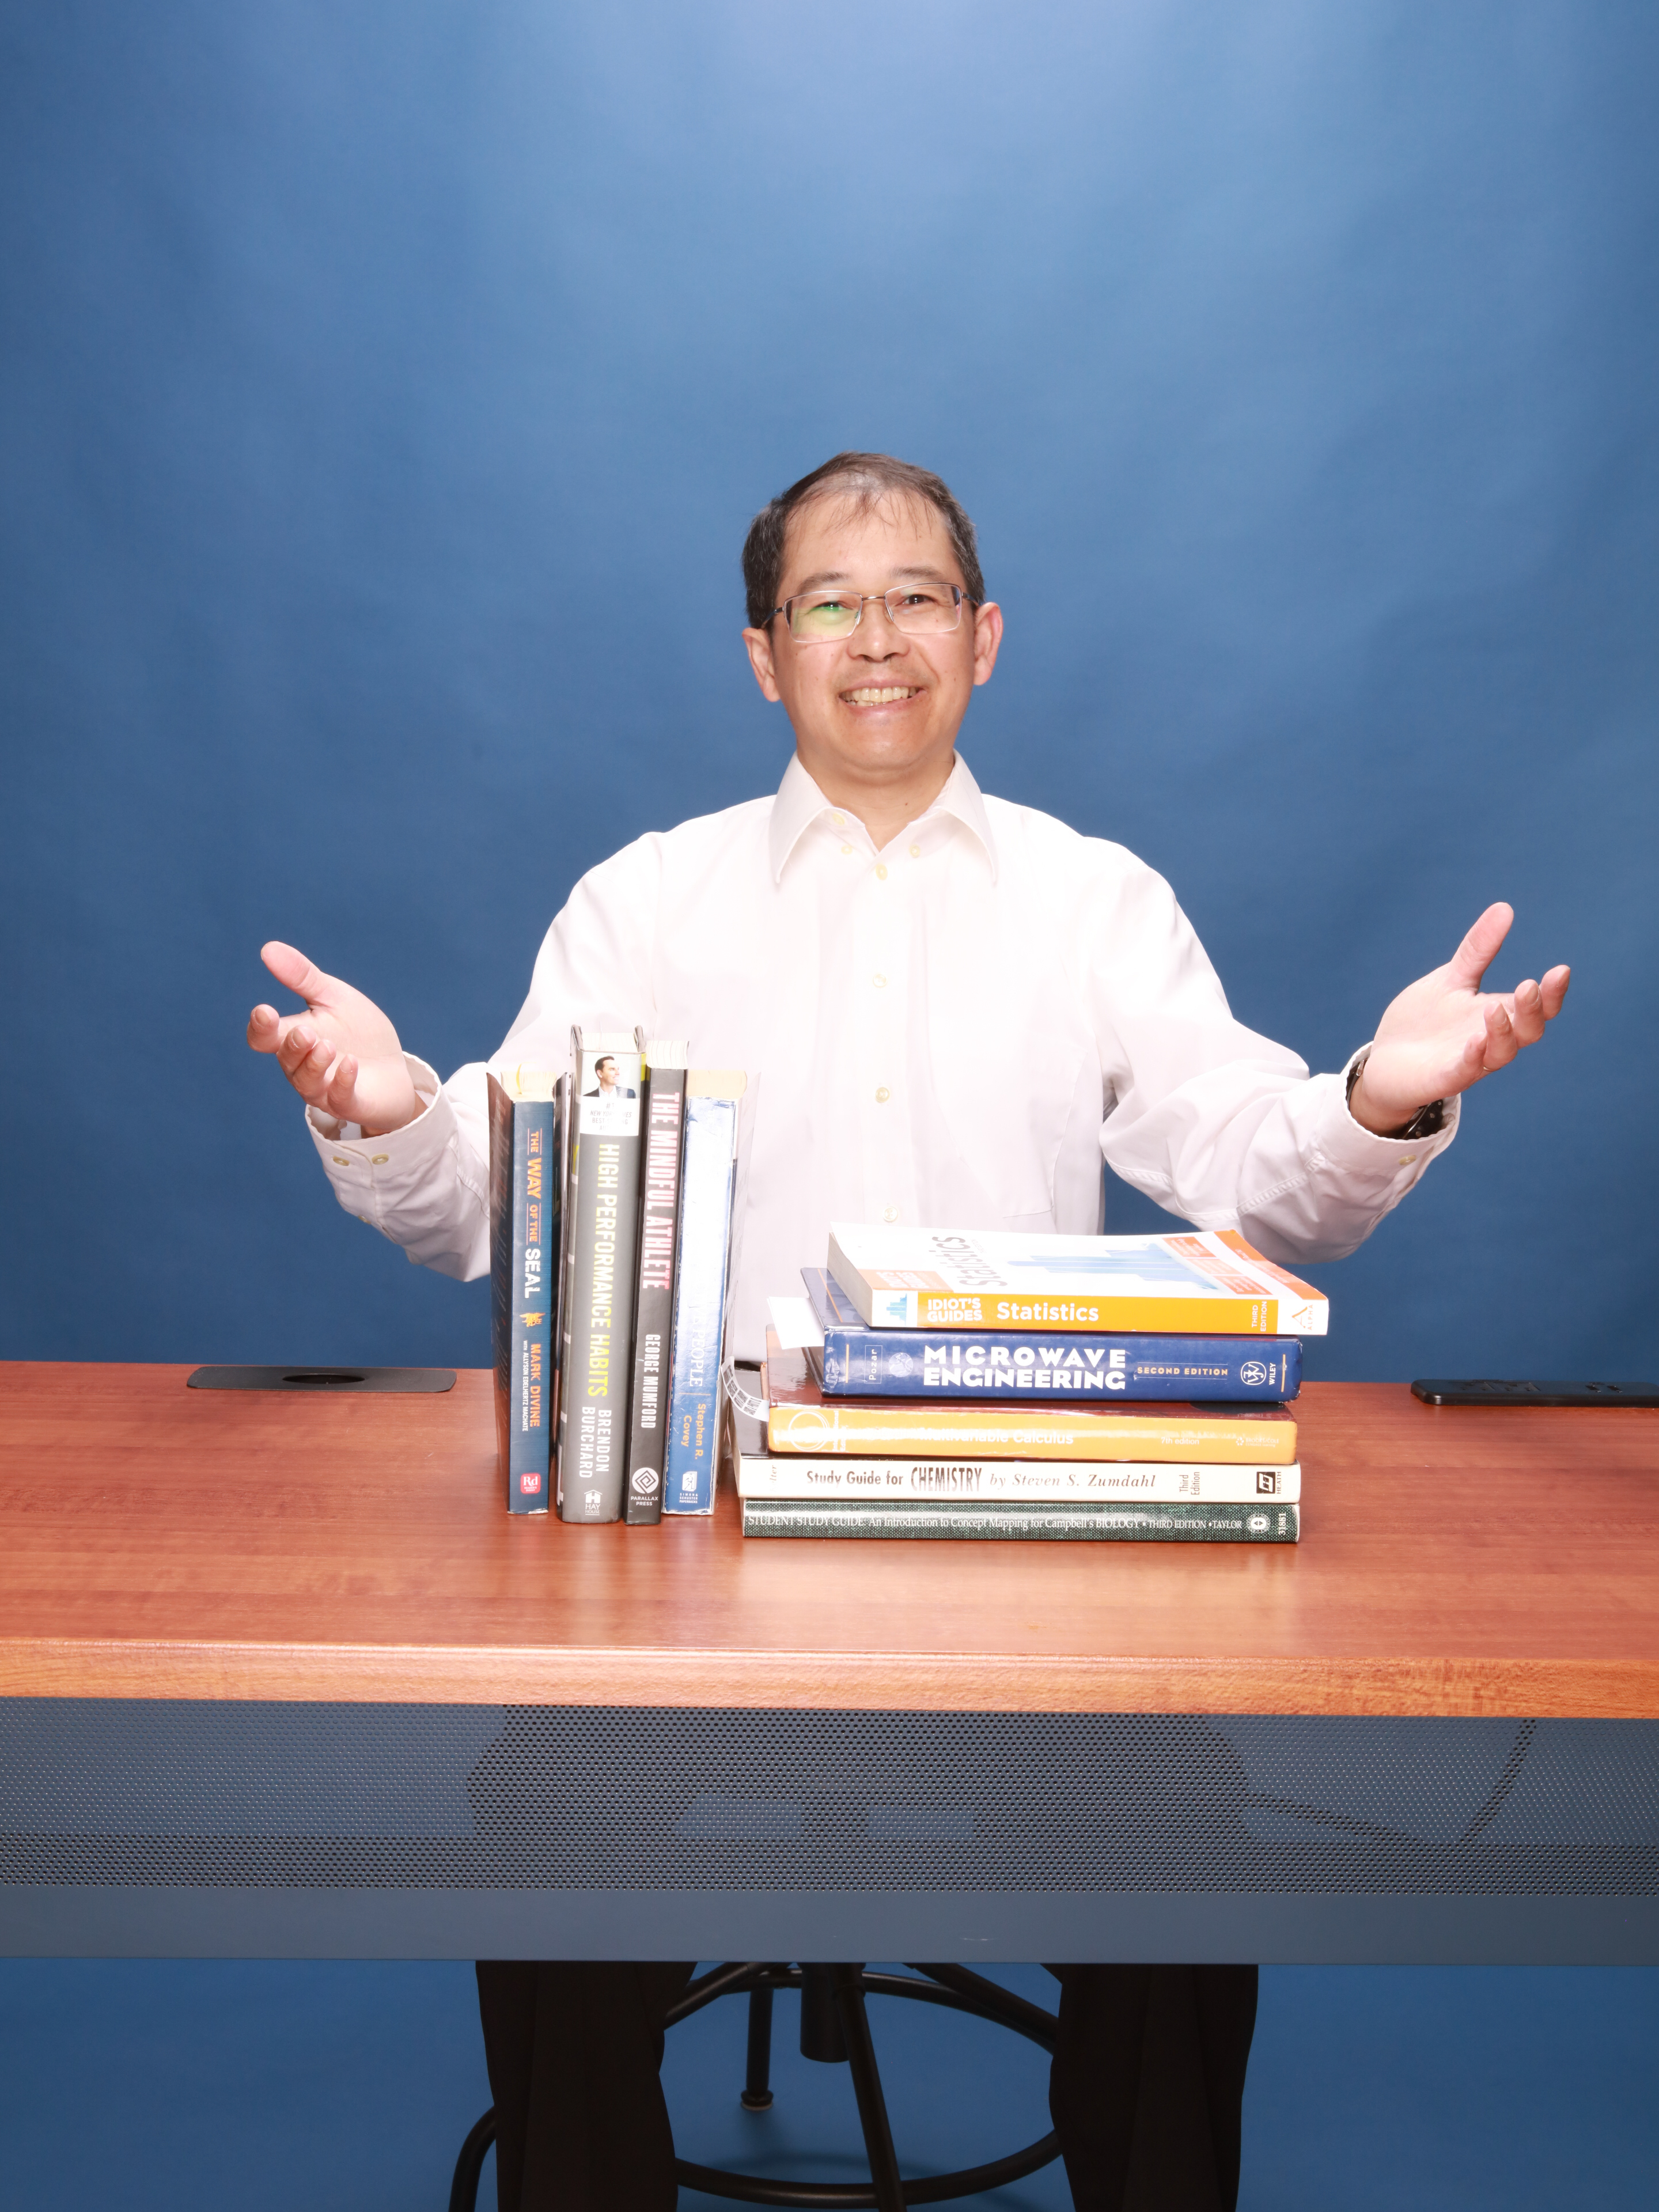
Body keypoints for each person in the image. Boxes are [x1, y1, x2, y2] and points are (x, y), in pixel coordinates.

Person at [247, 453, 1569, 2211]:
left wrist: (1383, 1097)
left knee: (1189, 1836)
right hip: (696, 1559)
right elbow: (493, 1202)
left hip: (1043, 1545)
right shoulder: (647, 904)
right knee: (541, 1814)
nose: (879, 636)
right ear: (763, 651)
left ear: (987, 635)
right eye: (829, 601)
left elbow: (1265, 1181)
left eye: (919, 596)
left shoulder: (1094, 900)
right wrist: (396, 1107)